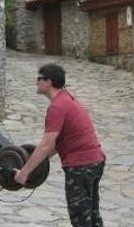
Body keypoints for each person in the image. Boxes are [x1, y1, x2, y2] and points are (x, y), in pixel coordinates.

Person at [14, 63, 106, 227]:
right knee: (92, 215)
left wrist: (24, 172)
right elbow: (58, 142)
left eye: (39, 79)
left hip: (81, 166)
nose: (36, 82)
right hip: (95, 162)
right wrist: (36, 161)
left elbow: (47, 145)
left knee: (80, 218)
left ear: (48, 82)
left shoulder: (57, 107)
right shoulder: (68, 99)